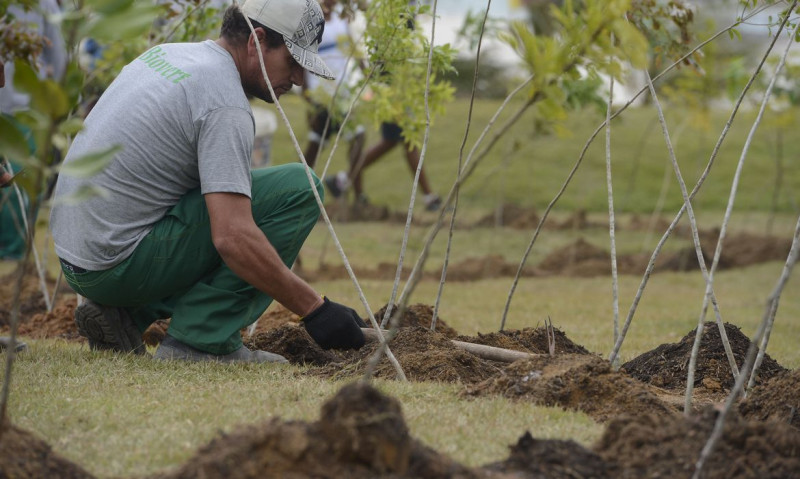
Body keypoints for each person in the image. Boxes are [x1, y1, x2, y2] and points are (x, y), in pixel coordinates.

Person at [49, 0, 367, 363]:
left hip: (79, 257)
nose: (297, 79)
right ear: (257, 41)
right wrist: (317, 310)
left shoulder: (169, 55)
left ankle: (123, 315)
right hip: (115, 263)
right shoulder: (223, 103)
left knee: (225, 199)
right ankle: (200, 341)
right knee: (298, 188)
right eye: (293, 62)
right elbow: (233, 238)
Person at [0, 0, 67, 260]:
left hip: (24, 106)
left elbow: (58, 54)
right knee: (24, 180)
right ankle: (13, 250)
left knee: (20, 180)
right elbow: (58, 55)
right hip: (25, 106)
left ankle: (13, 252)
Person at [301, 0, 365, 170]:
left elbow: (354, 49)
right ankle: (301, 184)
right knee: (320, 142)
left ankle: (351, 188)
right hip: (321, 95)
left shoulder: (341, 18)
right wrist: (306, 93)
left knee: (355, 137)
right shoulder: (310, 21)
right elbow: (302, 59)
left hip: (342, 93)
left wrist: (366, 74)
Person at [325, 121, 442, 212]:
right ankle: (429, 197)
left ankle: (343, 178)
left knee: (391, 141)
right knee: (408, 141)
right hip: (397, 100)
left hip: (397, 99)